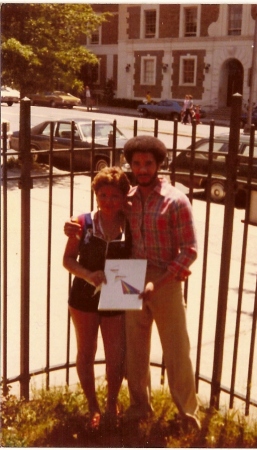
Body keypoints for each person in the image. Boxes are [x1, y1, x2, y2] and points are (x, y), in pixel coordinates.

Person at [64, 136, 201, 431]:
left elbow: (190, 249)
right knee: (135, 352)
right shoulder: (131, 200)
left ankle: (188, 413)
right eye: (136, 163)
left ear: (158, 164)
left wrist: (163, 279)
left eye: (148, 163)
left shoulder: (176, 200)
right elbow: (102, 211)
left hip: (165, 279)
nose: (141, 169)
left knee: (176, 350)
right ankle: (139, 406)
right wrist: (71, 225)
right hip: (129, 275)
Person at [63, 166, 131, 431]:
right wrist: (87, 275)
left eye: (114, 196)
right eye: (103, 195)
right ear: (96, 195)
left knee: (116, 355)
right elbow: (67, 260)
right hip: (83, 297)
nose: (108, 201)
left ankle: (112, 401)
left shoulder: (131, 223)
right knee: (86, 351)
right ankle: (93, 405)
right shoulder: (82, 223)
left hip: (118, 294)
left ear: (123, 197)